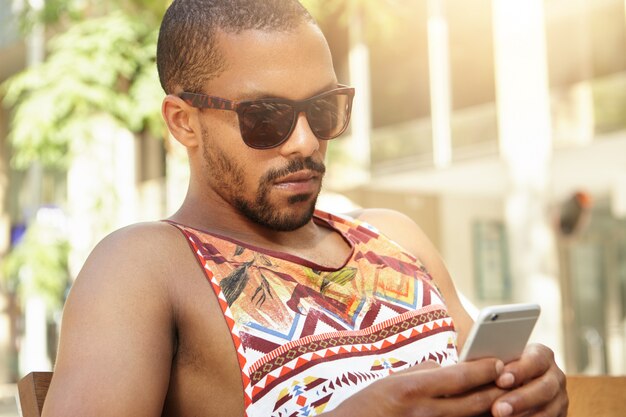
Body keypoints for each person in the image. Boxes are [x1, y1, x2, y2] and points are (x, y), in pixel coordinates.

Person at [41, 1, 568, 416]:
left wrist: (528, 391)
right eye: (265, 117)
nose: (304, 141)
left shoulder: (395, 237)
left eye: (322, 110)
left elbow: (491, 375)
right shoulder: (144, 266)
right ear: (183, 122)